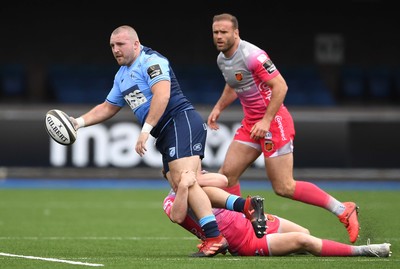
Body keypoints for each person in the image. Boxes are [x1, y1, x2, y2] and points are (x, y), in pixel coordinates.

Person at [66, 25, 264, 257]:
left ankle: (215, 237)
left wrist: (145, 130)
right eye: (112, 46)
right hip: (169, 132)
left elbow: (163, 95)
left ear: (136, 44)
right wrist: (77, 123)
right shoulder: (121, 76)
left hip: (180, 122)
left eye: (120, 44)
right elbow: (108, 107)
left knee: (185, 182)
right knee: (187, 184)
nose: (115, 50)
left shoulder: (151, 61)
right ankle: (245, 206)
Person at [206, 13, 360, 244]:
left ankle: (342, 209)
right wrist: (218, 108)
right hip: (252, 123)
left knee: (284, 187)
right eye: (216, 32)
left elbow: (281, 86)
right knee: (226, 178)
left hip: (274, 121)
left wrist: (266, 121)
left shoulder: (253, 56)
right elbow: (234, 83)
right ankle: (239, 229)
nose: (219, 36)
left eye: (224, 32)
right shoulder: (222, 59)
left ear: (236, 33)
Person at [163, 170, 392, 258]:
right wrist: (183, 186)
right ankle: (365, 251)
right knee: (304, 241)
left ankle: (249, 208)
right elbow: (178, 216)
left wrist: (194, 178)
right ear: (168, 177)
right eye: (172, 172)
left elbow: (223, 180)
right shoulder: (171, 200)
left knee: (305, 233)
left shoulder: (198, 180)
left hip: (252, 223)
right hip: (245, 242)